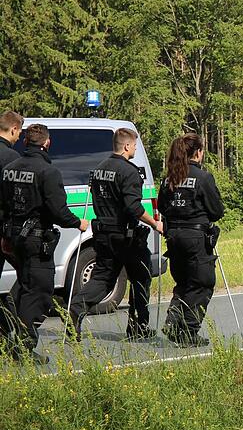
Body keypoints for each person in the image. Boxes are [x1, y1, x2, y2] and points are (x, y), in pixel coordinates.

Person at [0, 124, 88, 363]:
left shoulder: (9, 169)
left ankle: (8, 337)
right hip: (36, 240)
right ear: (47, 143)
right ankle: (23, 349)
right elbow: (58, 211)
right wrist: (78, 222)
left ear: (25, 142)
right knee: (39, 293)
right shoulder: (48, 172)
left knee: (24, 286)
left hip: (13, 238)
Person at [68, 128, 164, 342]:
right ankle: (138, 327)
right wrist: (155, 223)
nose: (135, 149)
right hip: (126, 236)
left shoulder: (99, 169)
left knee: (103, 277)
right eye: (135, 145)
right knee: (141, 276)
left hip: (102, 234)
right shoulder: (129, 172)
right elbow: (133, 208)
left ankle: (76, 307)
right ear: (127, 146)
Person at [158, 134, 225, 348]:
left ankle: (173, 320)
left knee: (185, 283)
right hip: (195, 238)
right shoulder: (203, 177)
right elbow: (216, 211)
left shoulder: (169, 178)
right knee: (204, 284)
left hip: (173, 237)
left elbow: (161, 207)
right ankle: (187, 329)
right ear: (197, 152)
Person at [0, 111, 24, 323]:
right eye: (19, 133)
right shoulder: (12, 158)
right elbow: (15, 199)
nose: (19, 138)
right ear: (13, 129)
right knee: (29, 274)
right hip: (3, 227)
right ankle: (8, 327)